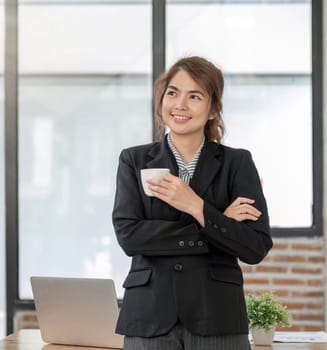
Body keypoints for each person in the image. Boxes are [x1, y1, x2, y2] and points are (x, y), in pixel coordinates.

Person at [112, 56, 273, 350]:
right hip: (149, 317)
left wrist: (197, 206)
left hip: (218, 317)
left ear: (213, 109)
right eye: (172, 93)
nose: (180, 104)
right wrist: (216, 221)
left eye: (194, 96)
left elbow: (254, 247)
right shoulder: (133, 160)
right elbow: (130, 237)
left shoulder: (237, 163)